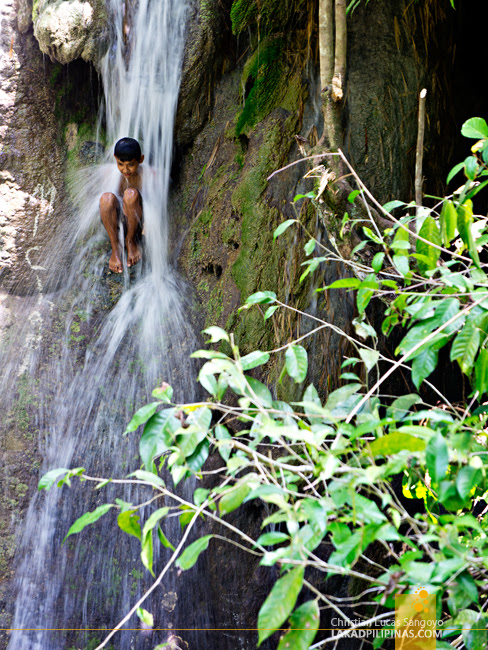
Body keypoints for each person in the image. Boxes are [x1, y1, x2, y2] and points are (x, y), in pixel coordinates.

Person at [99, 137, 144, 273]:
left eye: (131, 164)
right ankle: (116, 248)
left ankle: (130, 242)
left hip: (137, 218)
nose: (125, 170)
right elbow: (104, 206)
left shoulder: (146, 176)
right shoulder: (109, 174)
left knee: (130, 194)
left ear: (140, 160)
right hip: (117, 218)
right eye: (120, 164)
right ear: (115, 158)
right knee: (106, 198)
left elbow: (154, 204)